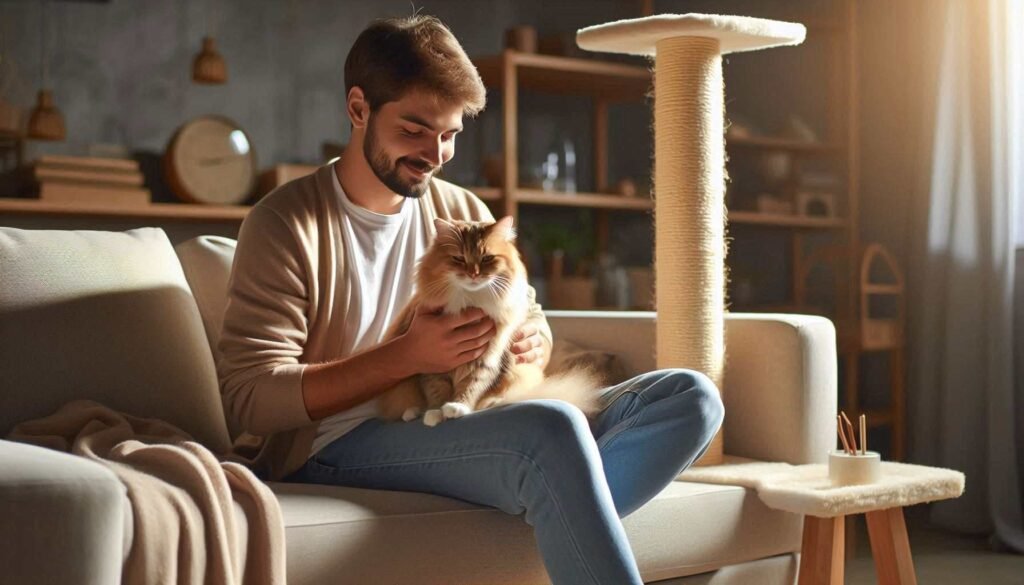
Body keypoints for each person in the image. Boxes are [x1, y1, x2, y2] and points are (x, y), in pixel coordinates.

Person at [217, 14, 724, 585]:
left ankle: (555, 510)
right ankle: (556, 509)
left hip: (472, 411)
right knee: (551, 430)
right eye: (414, 130)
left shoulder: (461, 213)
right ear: (359, 109)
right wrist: (407, 356)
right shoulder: (284, 224)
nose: (435, 153)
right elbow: (249, 400)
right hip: (341, 441)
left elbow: (527, 310)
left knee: (691, 398)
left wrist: (533, 340)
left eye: (450, 133)